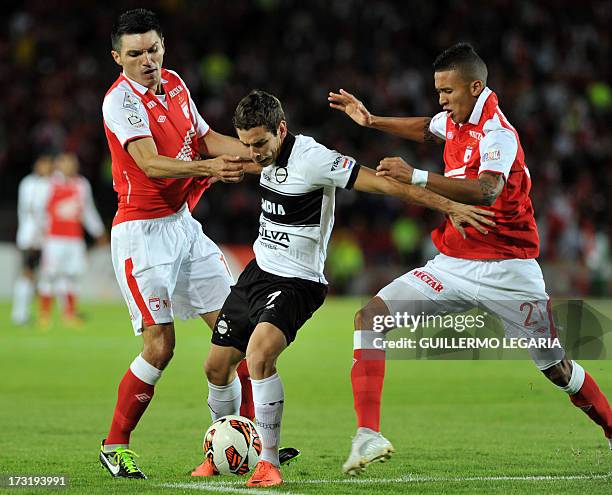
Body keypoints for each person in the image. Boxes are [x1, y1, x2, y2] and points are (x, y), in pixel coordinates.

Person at [329, 42, 612, 475]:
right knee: (371, 318)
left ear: (475, 86)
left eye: (448, 91)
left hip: (509, 271)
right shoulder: (457, 121)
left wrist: (417, 175)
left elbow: (487, 191)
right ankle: (368, 434)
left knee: (556, 368)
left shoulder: (498, 132)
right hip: (453, 264)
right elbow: (428, 127)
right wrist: (372, 121)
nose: (441, 99)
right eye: (438, 91)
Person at [201, 90, 494, 487]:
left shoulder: (314, 159)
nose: (254, 154)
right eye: (248, 144)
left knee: (258, 357)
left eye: (260, 144)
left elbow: (385, 186)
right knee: (216, 368)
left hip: (297, 282)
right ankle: (222, 452)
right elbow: (219, 148)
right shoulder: (262, 153)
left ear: (282, 130)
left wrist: (448, 206)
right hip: (258, 273)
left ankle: (268, 462)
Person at [99, 9, 262, 479]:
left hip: (183, 226)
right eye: (135, 54)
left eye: (153, 49)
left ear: (163, 46)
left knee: (238, 333)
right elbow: (150, 163)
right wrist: (210, 170)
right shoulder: (119, 102)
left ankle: (237, 441)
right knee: (160, 347)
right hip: (141, 234)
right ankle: (115, 444)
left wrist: (260, 153)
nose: (147, 60)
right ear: (118, 58)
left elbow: (205, 138)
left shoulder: (174, 83)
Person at [38, 152, 106, 327]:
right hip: (54, 238)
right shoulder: (49, 183)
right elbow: (40, 211)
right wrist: (39, 233)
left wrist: (98, 231)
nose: (70, 166)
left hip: (74, 238)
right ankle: (44, 314)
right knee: (49, 275)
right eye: (66, 162)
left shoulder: (81, 184)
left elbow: (88, 210)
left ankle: (69, 314)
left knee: (73, 275)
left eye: (73, 163)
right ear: (59, 165)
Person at [11, 154, 54, 326]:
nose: (47, 167)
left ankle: (25, 312)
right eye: (44, 164)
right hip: (30, 236)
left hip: (44, 237)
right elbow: (31, 209)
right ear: (37, 165)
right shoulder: (30, 183)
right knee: (27, 273)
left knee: (37, 276)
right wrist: (39, 231)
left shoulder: (49, 183)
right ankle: (19, 313)